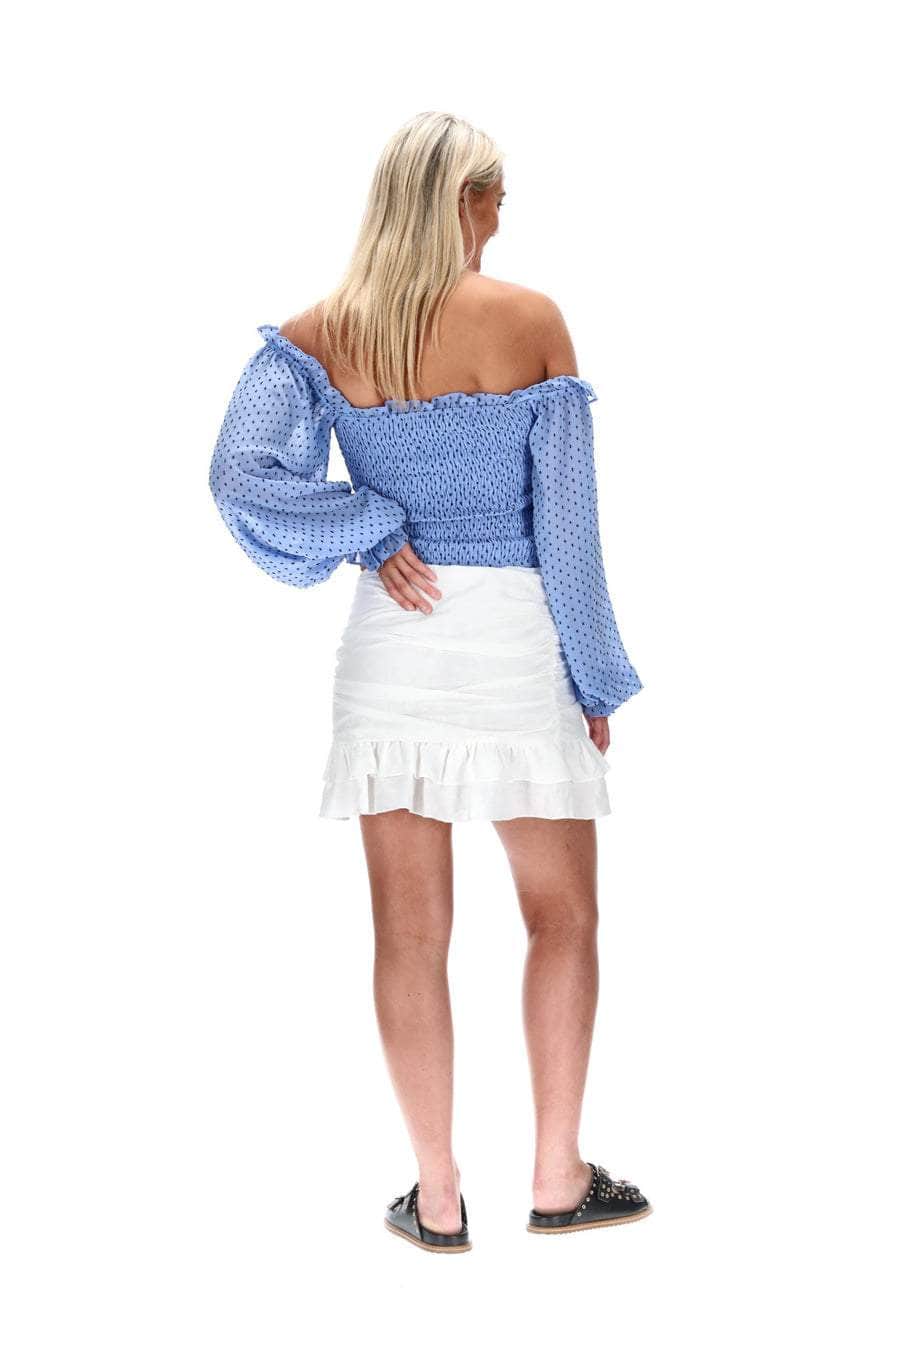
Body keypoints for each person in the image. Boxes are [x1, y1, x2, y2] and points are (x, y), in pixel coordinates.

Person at [208, 111, 651, 1254]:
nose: (504, 214)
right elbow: (569, 529)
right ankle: (558, 1176)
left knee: (408, 934)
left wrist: (367, 520)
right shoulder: (532, 321)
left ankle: (439, 1194)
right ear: (466, 198)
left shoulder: (324, 331)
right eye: (496, 195)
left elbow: (238, 473)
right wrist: (595, 671)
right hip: (516, 642)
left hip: (391, 645)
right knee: (563, 915)